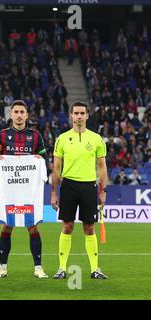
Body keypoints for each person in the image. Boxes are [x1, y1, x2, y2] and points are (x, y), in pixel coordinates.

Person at [0, 100, 49, 279]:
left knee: (32, 226)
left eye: (22, 111)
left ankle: (38, 268)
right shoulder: (3, 135)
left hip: (29, 189)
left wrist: (40, 158)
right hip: (10, 189)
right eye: (16, 112)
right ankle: (2, 268)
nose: (19, 115)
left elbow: (45, 157)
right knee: (7, 226)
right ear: (11, 115)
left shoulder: (36, 136)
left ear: (27, 115)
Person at [51, 101, 109, 280]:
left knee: (89, 228)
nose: (79, 116)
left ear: (87, 115)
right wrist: (54, 192)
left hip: (89, 186)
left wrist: (103, 191)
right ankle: (61, 268)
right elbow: (56, 168)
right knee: (67, 226)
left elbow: (102, 167)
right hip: (68, 185)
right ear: (70, 115)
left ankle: (95, 269)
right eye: (75, 113)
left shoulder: (96, 139)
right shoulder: (61, 139)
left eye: (82, 113)